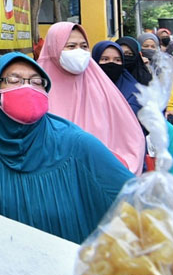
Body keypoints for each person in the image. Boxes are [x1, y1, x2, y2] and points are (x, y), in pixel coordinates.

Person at [0, 53, 134, 244]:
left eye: (36, 81)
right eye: (13, 79)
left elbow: (136, 200)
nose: (27, 87)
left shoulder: (76, 144)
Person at [36, 22, 146, 174]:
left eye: (84, 46)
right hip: (51, 176)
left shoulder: (100, 85)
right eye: (71, 46)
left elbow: (130, 137)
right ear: (54, 48)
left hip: (99, 174)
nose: (79, 52)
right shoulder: (36, 85)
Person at [97, 40, 173, 175]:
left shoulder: (139, 80)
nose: (111, 63)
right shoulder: (88, 85)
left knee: (170, 129)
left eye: (127, 55)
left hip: (133, 134)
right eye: (104, 59)